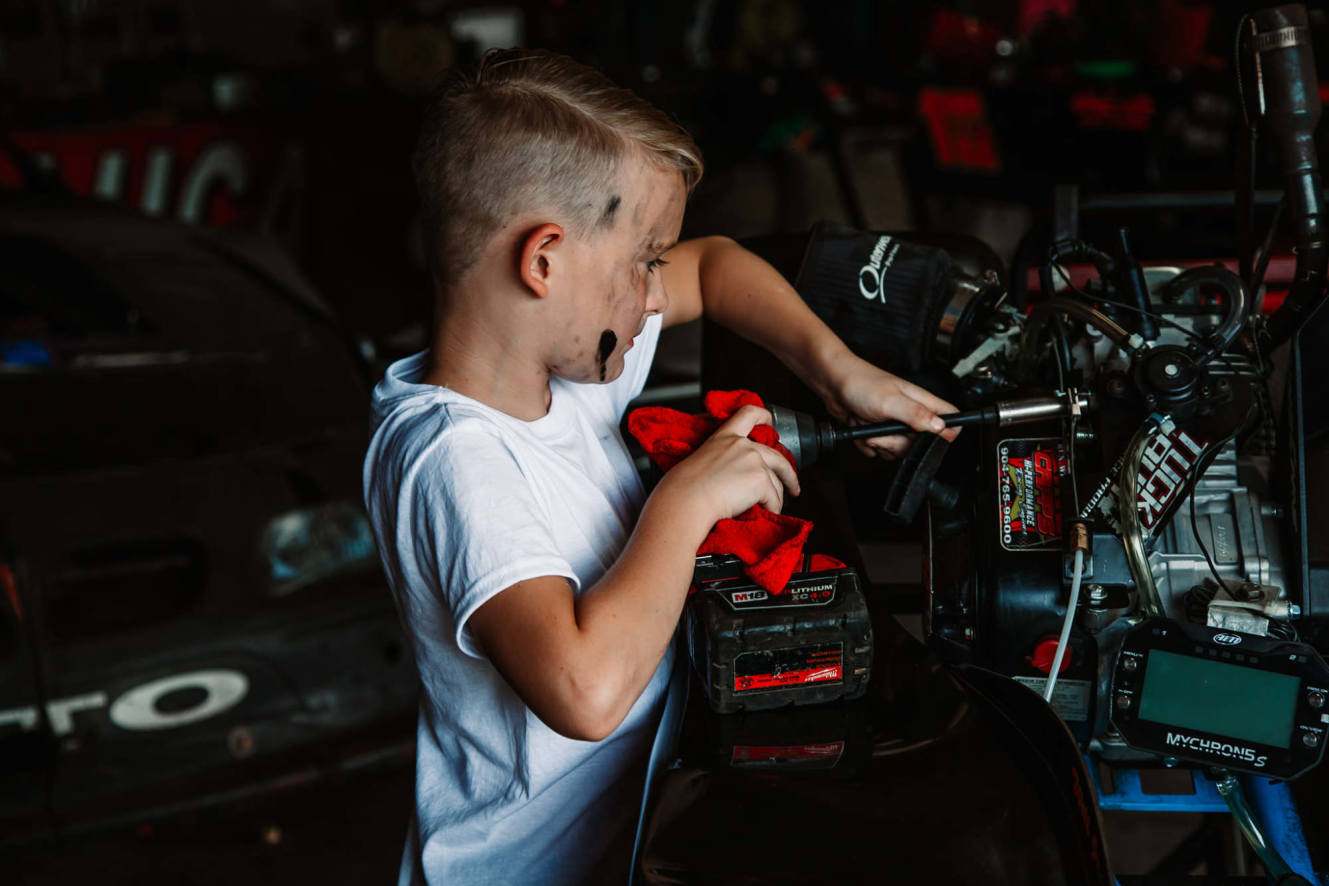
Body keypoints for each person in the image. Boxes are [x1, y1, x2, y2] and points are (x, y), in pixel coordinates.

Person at [363, 48, 959, 885]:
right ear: (543, 261)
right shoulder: (457, 462)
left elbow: (713, 266)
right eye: (644, 260)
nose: (654, 296)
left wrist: (838, 373)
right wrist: (685, 502)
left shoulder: (562, 370)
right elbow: (585, 694)